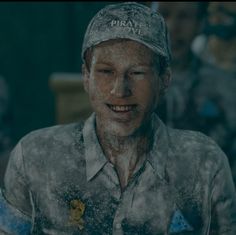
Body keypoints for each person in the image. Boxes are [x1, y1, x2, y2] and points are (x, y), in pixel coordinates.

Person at [0, 2, 236, 234]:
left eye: (137, 72)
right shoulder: (34, 159)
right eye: (105, 71)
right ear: (86, 76)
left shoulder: (205, 165)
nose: (120, 90)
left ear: (165, 79)